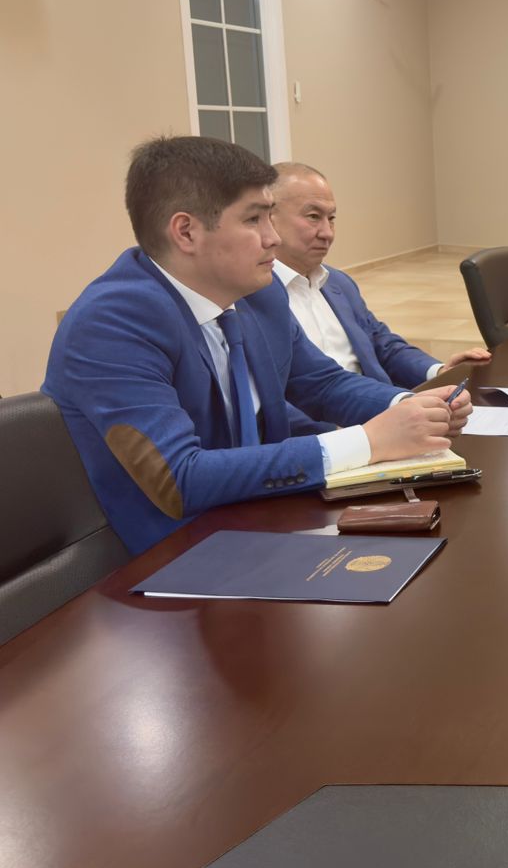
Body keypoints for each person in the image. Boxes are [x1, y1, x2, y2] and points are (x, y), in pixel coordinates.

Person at [43, 137, 471, 555]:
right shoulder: (113, 322)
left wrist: (411, 407)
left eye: (270, 217)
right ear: (186, 232)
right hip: (172, 554)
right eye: (253, 220)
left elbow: (321, 382)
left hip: (264, 516)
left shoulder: (258, 294)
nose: (273, 238)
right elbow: (181, 479)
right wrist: (369, 441)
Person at [269, 162, 490, 387]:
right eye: (314, 216)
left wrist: (440, 371)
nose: (327, 233)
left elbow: (382, 345)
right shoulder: (256, 298)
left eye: (332, 219)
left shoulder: (338, 283)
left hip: (381, 399)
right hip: (342, 408)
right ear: (269, 218)